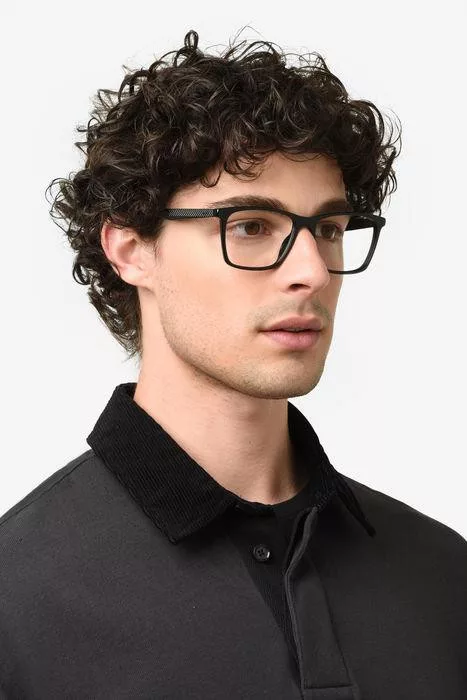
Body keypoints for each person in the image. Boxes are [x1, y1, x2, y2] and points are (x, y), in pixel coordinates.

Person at [0, 29, 466, 700]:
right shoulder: (18, 598)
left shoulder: (442, 572)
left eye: (327, 229)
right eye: (250, 226)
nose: (312, 272)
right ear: (131, 250)